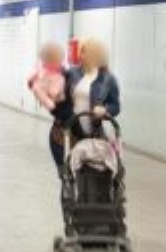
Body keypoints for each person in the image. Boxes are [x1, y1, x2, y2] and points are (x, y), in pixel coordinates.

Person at [62, 38, 121, 132]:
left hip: (93, 132)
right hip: (69, 129)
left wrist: (105, 110)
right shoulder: (71, 73)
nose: (82, 55)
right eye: (82, 51)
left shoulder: (109, 79)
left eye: (86, 52)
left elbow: (115, 106)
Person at [26, 42, 67, 174]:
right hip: (61, 119)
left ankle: (64, 171)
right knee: (56, 138)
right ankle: (63, 171)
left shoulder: (65, 73)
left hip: (70, 115)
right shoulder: (46, 71)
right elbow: (32, 81)